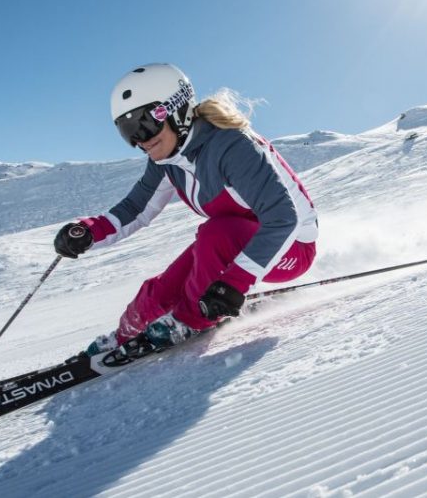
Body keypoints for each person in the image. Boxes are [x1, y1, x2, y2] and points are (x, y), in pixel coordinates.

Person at [53, 63, 319, 365]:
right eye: (128, 132)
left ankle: (190, 320)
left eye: (144, 124)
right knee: (159, 291)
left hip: (291, 247)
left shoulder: (231, 145)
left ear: (175, 110)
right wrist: (87, 232)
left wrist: (234, 283)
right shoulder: (167, 159)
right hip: (232, 242)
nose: (140, 140)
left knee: (215, 234)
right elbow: (134, 209)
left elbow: (283, 218)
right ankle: (124, 334)